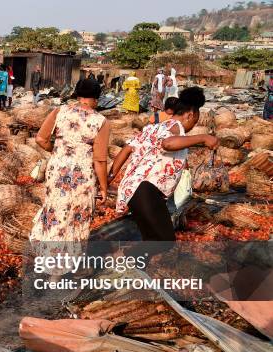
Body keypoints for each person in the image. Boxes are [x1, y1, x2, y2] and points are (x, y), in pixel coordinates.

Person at [110, 87, 219, 241]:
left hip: (132, 190)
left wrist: (109, 178)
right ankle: (122, 259)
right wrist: (203, 137)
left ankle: (132, 263)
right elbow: (168, 144)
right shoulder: (175, 128)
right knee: (165, 241)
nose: (194, 125)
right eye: (195, 121)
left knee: (151, 240)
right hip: (145, 190)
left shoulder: (154, 128)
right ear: (190, 114)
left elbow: (126, 150)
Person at [29, 78, 110, 277]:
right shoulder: (100, 121)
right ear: (96, 99)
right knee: (75, 218)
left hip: (57, 171)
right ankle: (60, 270)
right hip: (81, 176)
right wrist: (104, 187)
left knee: (56, 213)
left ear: (77, 95)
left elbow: (40, 139)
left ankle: (46, 261)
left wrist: (57, 152)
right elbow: (100, 160)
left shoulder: (60, 111)